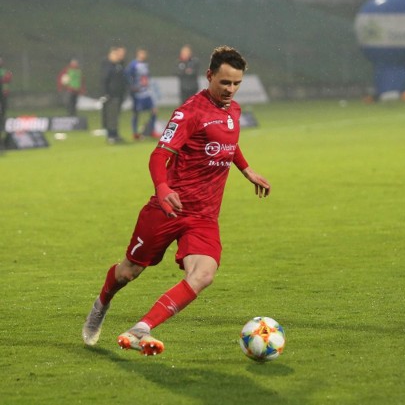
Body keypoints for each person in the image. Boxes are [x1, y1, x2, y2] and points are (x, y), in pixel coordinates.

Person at [82, 46, 271, 356]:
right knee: (128, 271)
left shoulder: (233, 110)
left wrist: (246, 169)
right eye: (225, 83)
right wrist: (162, 187)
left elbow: (229, 143)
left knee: (204, 275)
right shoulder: (189, 112)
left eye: (237, 83)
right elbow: (159, 155)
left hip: (204, 216)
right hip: (169, 208)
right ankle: (101, 303)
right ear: (209, 76)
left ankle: (141, 328)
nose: (231, 90)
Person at [126, 48, 157, 140]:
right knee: (136, 112)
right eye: (141, 53)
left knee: (154, 111)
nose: (143, 55)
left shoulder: (145, 65)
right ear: (138, 54)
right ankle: (135, 133)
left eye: (144, 53)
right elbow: (128, 75)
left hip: (146, 93)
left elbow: (147, 77)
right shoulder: (133, 65)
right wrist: (132, 86)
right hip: (138, 94)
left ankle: (150, 130)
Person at [101, 46, 128, 144]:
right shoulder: (107, 66)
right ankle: (110, 135)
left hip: (119, 94)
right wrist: (106, 93)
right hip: (111, 95)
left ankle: (115, 134)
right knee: (111, 116)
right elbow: (105, 80)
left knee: (116, 116)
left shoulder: (119, 65)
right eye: (115, 54)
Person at [0, 57, 13, 129]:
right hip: (3, 92)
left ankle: (2, 121)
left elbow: (8, 79)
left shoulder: (4, 71)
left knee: (4, 107)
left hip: (3, 92)